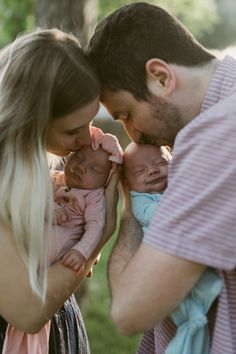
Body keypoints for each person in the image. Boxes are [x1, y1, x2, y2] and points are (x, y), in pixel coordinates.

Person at [86, 2, 236, 353]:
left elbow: (129, 310)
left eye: (126, 114)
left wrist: (130, 209)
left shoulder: (216, 138)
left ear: (161, 77)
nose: (132, 135)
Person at [0, 28, 120, 354]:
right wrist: (99, 237)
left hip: (58, 328)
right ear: (30, 120)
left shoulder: (37, 165)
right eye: (73, 130)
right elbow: (27, 311)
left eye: (89, 123)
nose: (88, 138)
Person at [3, 128, 123, 354]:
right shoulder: (52, 179)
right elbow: (30, 200)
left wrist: (82, 252)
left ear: (107, 179)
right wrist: (48, 208)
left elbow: (96, 226)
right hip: (23, 281)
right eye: (78, 157)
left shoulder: (94, 198)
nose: (80, 167)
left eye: (95, 169)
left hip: (55, 280)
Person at [123, 142, 222, 354]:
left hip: (188, 261)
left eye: (161, 162)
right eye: (140, 171)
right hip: (163, 270)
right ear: (128, 183)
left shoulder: (180, 186)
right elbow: (158, 215)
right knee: (185, 314)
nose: (152, 170)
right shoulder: (141, 201)